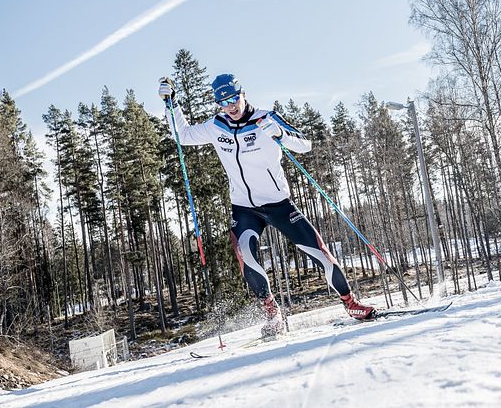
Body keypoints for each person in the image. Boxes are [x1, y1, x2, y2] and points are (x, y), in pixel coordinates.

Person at [158, 74, 375, 337]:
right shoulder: (217, 126)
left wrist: (280, 134)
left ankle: (351, 304)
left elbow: (305, 144)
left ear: (243, 94)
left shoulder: (266, 118)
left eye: (233, 98)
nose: (230, 106)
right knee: (246, 256)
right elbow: (183, 136)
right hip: (244, 209)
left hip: (279, 205)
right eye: (223, 101)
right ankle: (273, 315)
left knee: (320, 254)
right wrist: (172, 103)